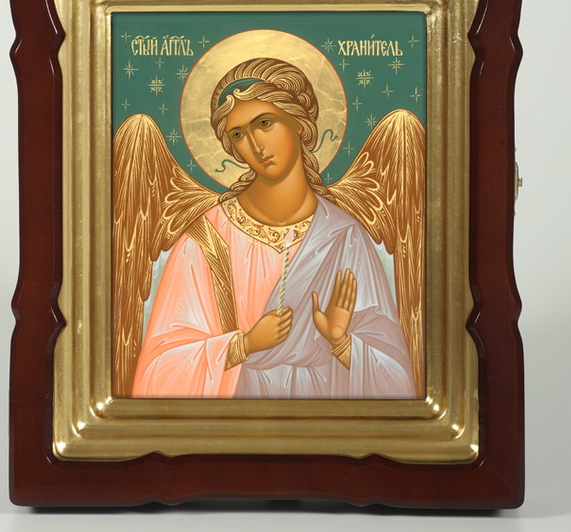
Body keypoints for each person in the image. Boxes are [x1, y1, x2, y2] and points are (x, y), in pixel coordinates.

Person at [131, 57, 416, 399]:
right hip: (235, 416)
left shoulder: (345, 237)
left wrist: (341, 342)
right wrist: (244, 345)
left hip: (323, 415)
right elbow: (157, 373)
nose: (256, 145)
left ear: (299, 123)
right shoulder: (206, 240)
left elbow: (398, 381)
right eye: (239, 134)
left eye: (265, 123)